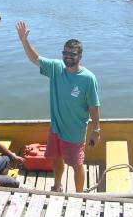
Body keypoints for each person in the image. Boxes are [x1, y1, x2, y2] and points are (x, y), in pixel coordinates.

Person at [16, 20, 101, 192]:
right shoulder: (56, 68)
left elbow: (94, 106)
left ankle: (79, 195)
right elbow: (36, 59)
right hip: (56, 129)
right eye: (66, 53)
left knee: (77, 164)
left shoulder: (88, 78)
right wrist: (24, 40)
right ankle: (57, 186)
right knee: (56, 158)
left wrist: (96, 130)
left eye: (73, 54)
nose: (68, 56)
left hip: (75, 132)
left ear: (80, 56)